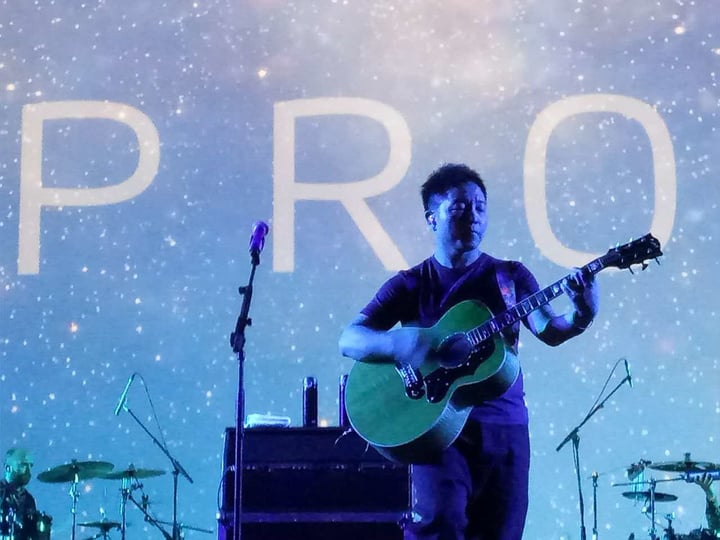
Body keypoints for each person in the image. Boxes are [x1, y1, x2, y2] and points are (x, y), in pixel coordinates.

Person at [338, 163, 599, 540]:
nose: (473, 217)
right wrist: (399, 344)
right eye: (460, 208)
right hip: (436, 431)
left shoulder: (510, 277)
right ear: (431, 218)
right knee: (440, 527)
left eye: (480, 207)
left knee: (502, 533)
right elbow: (350, 339)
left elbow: (550, 329)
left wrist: (582, 314)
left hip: (505, 429)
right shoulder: (411, 283)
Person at [0, 448, 39, 540]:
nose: (28, 470)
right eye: (23, 465)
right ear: (8, 468)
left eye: (30, 466)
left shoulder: (29, 499)